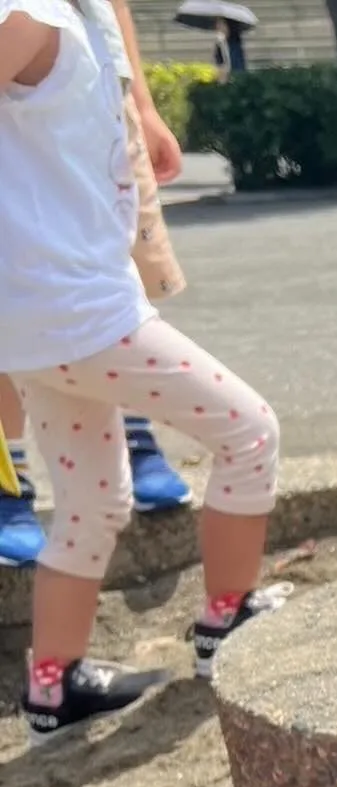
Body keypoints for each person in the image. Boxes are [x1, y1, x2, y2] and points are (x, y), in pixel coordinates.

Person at [1, 0, 283, 743]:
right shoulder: (30, 16)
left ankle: (53, 686)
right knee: (250, 433)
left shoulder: (75, 11)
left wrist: (142, 118)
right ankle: (229, 619)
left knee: (94, 501)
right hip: (77, 312)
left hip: (44, 317)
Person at [0, 0, 192, 570]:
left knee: (118, 268)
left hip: (100, 98)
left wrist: (142, 104)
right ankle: (12, 481)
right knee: (17, 295)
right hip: (24, 107)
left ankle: (134, 432)